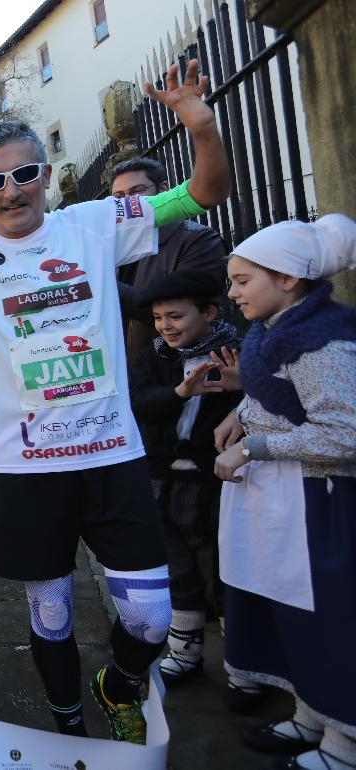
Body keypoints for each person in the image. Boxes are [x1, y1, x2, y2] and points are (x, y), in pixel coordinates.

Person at [0, 60, 230, 744]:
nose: (12, 191)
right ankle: (67, 723)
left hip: (111, 457)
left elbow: (202, 192)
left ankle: (118, 684)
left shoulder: (96, 223)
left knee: (150, 617)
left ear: (48, 176)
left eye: (25, 174)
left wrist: (200, 122)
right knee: (53, 612)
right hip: (24, 469)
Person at [211, 214, 355, 770]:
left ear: (288, 279)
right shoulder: (278, 329)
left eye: (243, 280)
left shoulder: (322, 343)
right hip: (286, 502)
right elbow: (276, 394)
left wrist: (251, 448)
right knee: (293, 615)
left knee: (328, 621)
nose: (232, 292)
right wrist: (240, 417)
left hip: (318, 504)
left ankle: (344, 746)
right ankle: (310, 717)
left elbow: (344, 433)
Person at [127, 270, 242, 686]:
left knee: (222, 572)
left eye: (175, 315)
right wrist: (180, 393)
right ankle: (184, 651)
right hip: (162, 480)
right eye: (158, 318)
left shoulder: (234, 355)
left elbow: (256, 408)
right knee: (177, 569)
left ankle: (242, 663)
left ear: (209, 312)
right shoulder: (153, 358)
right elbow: (138, 402)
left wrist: (242, 387)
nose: (165, 326)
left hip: (215, 485)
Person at [111, 157, 229, 358]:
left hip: (176, 369)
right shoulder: (112, 245)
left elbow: (186, 311)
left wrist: (104, 284)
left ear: (164, 190)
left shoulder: (199, 239)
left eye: (137, 191)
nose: (127, 202)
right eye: (118, 196)